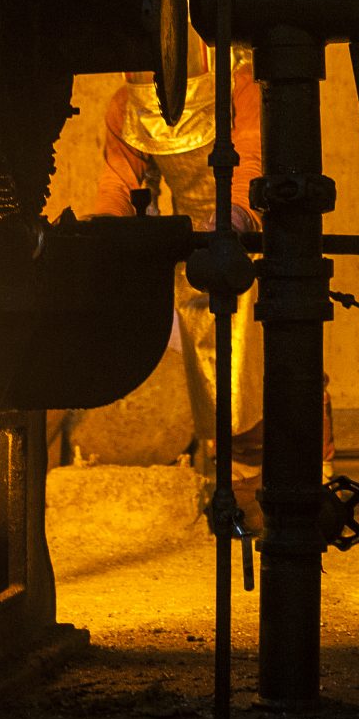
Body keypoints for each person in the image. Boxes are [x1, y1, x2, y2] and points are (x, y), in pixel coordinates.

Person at [92, 37, 267, 482]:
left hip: (255, 234)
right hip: (195, 250)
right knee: (212, 384)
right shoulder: (127, 106)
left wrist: (233, 216)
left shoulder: (241, 86)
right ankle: (234, 491)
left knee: (274, 369)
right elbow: (119, 179)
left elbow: (252, 161)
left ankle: (301, 487)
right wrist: (106, 232)